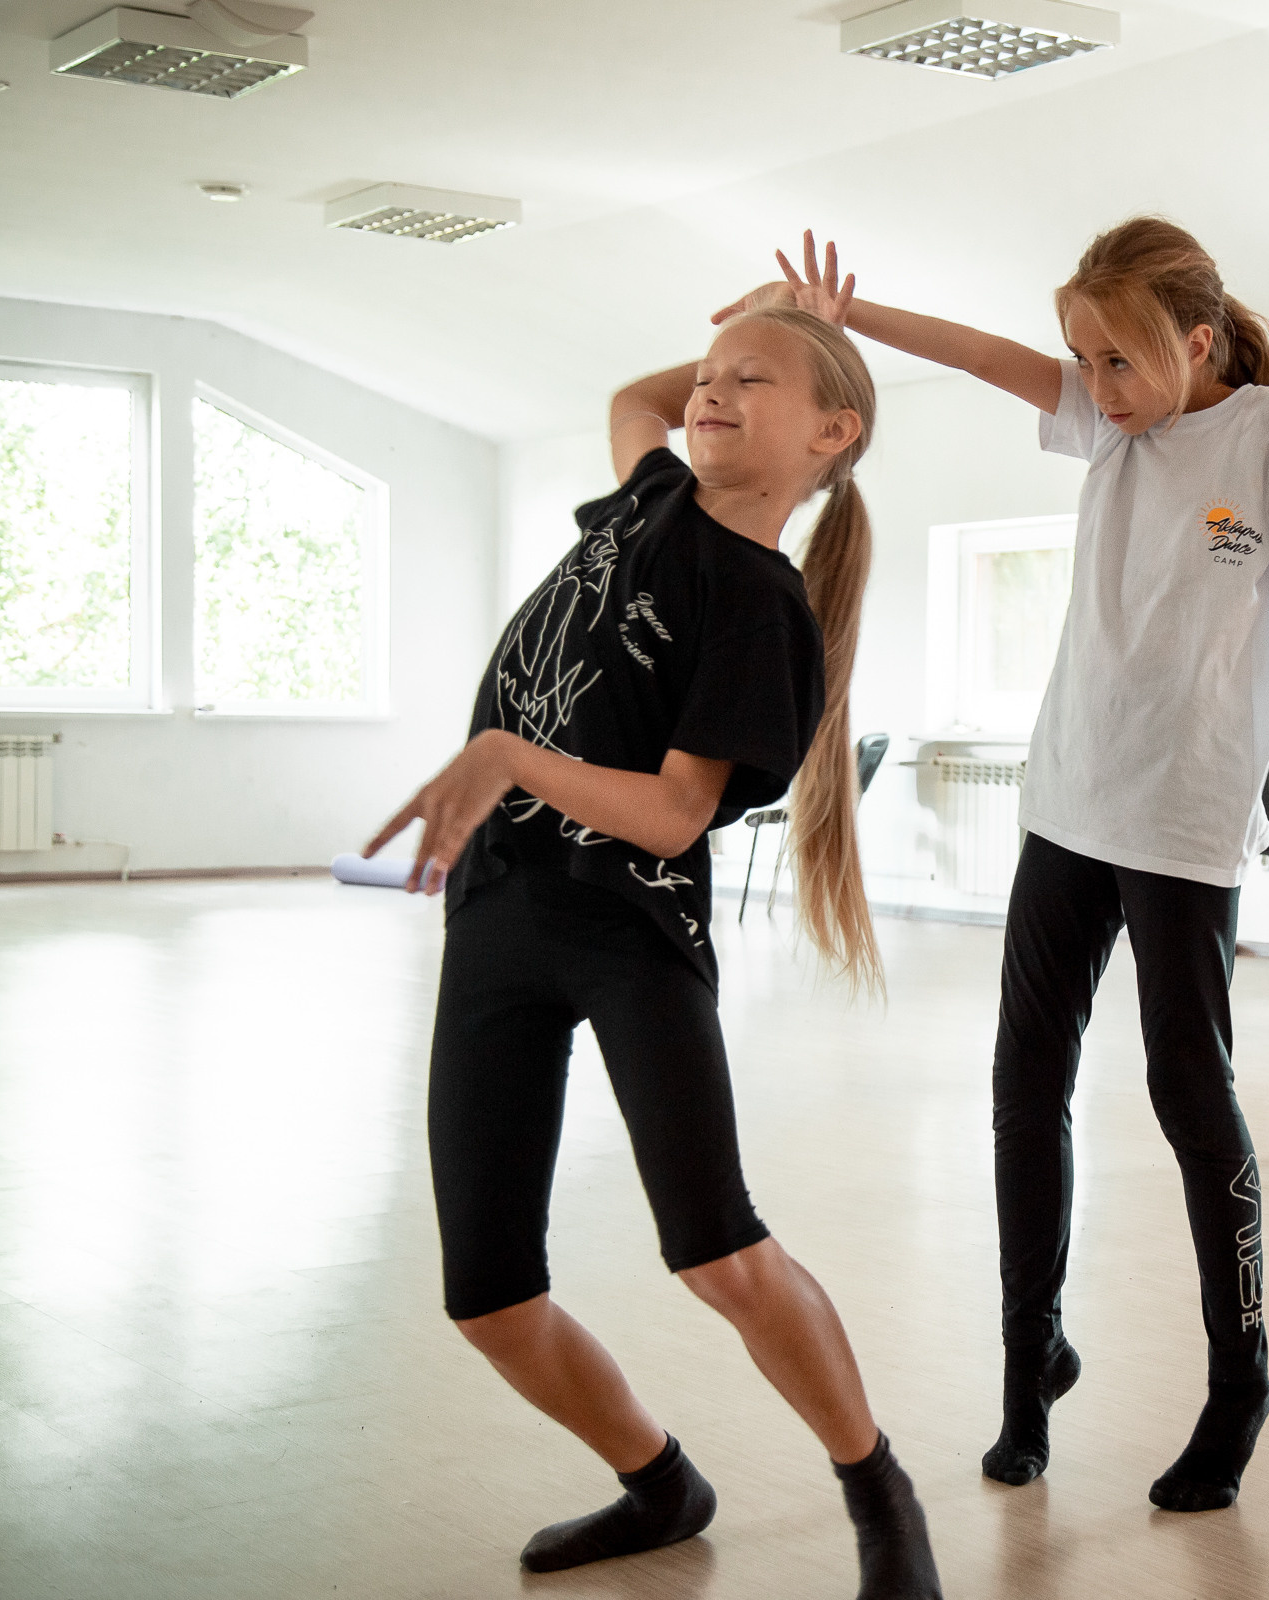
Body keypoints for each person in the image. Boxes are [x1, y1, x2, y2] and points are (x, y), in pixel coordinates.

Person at [717, 224, 1269, 1511]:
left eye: (1118, 361)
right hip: (1067, 803)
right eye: (1083, 361)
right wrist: (853, 315)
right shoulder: (1114, 423)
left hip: (1182, 819)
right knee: (1022, 1088)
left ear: (1198, 343)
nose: (1095, 388)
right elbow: (988, 355)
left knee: (1187, 1091)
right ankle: (1028, 1360)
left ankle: (1240, 1382)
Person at [363, 290, 941, 1594]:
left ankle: (877, 1490)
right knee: (491, 1299)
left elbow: (677, 815)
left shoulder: (760, 606)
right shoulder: (653, 499)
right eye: (713, 376)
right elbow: (637, 403)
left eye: (758, 386)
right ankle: (659, 1480)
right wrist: (777, 328)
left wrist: (510, 751)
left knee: (720, 1255)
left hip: (631, 932)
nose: (713, 393)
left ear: (835, 435)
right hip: (501, 918)